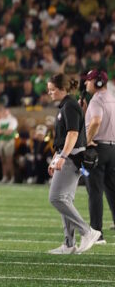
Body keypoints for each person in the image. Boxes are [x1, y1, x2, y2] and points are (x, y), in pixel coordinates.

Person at [46, 73, 102, 254]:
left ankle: (87, 231)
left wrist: (62, 157)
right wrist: (56, 157)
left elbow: (73, 134)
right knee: (65, 199)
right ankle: (69, 244)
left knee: (56, 198)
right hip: (68, 155)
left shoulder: (69, 105)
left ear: (62, 89)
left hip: (72, 157)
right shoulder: (67, 105)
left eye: (52, 90)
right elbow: (64, 137)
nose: (49, 93)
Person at [83, 70, 115, 238]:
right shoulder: (111, 97)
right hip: (112, 149)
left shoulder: (97, 99)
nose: (85, 83)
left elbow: (96, 121)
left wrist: (87, 140)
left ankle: (96, 233)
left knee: (95, 192)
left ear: (97, 82)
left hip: (98, 148)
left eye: (88, 80)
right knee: (112, 190)